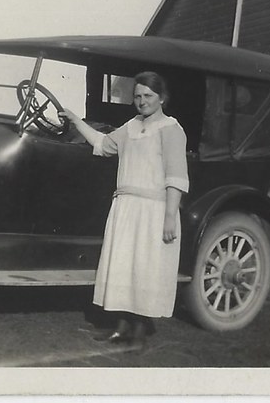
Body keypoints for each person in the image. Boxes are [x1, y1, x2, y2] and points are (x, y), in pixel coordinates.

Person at [59, 71, 190, 352]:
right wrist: (75, 120)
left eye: (148, 96)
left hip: (154, 211)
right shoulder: (130, 127)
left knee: (145, 269)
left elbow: (176, 177)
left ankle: (139, 334)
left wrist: (170, 217)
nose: (142, 102)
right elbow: (102, 143)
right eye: (138, 96)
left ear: (162, 98)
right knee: (123, 267)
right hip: (126, 208)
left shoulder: (171, 129)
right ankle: (120, 329)